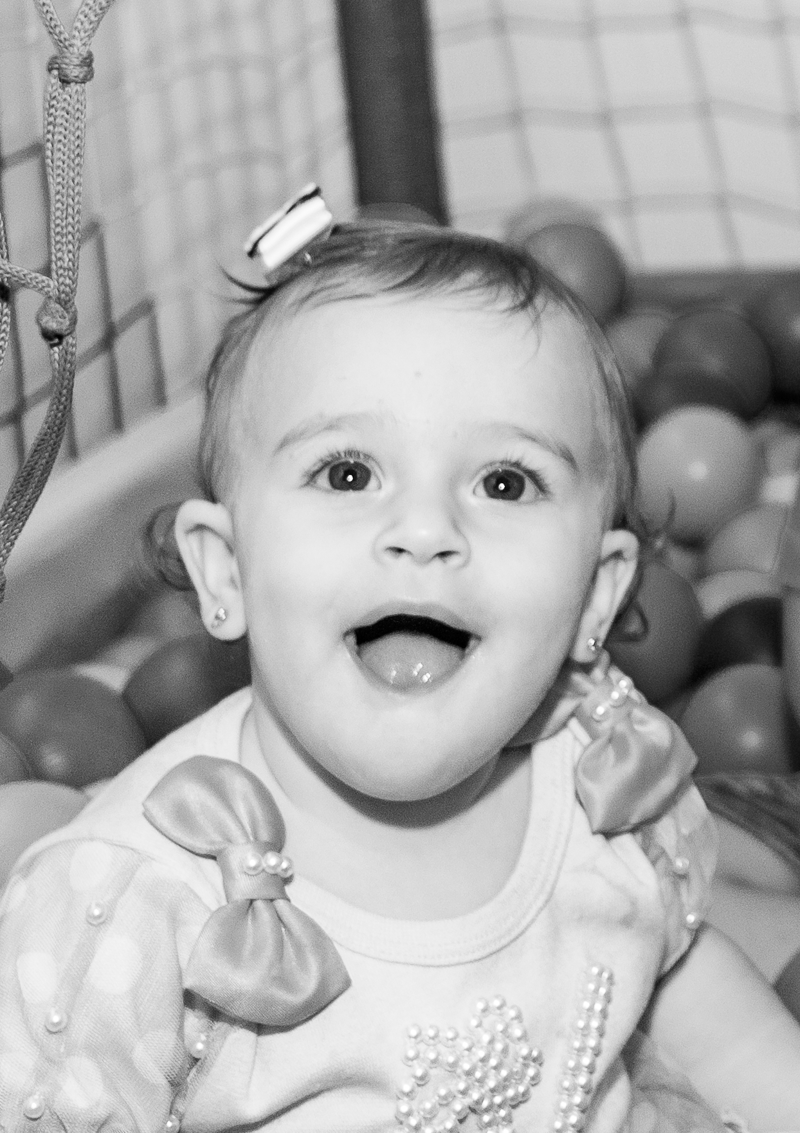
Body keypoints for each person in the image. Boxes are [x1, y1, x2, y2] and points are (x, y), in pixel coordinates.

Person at [1, 193, 800, 1133]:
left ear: (596, 592)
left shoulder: (605, 788)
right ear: (224, 572)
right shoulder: (139, 906)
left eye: (505, 482)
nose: (425, 530)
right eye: (347, 473)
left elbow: (701, 1015)